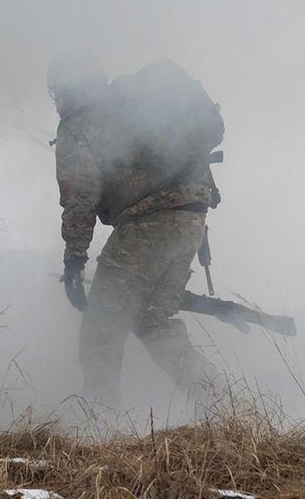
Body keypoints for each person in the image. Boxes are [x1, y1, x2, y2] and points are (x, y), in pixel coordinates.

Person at [49, 51, 221, 408]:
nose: (56, 104)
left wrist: (74, 260)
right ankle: (226, 405)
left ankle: (101, 421)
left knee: (101, 326)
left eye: (55, 94)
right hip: (191, 221)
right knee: (152, 319)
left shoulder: (81, 126)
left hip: (147, 224)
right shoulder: (128, 109)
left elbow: (79, 197)